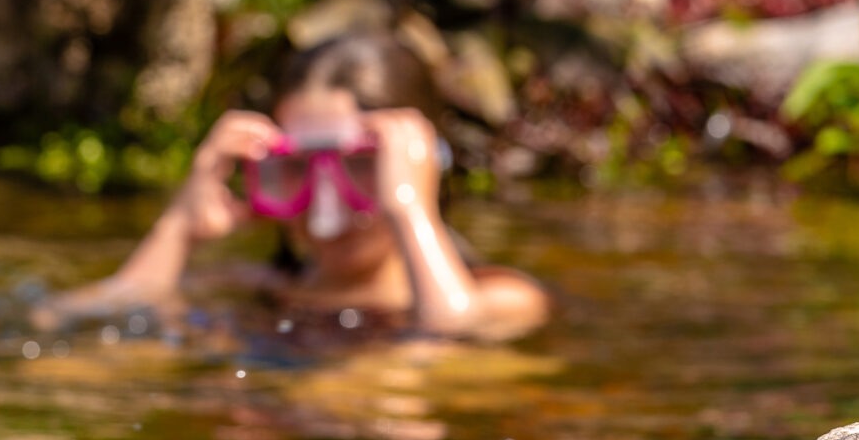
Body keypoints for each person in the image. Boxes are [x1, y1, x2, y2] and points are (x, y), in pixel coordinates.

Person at [37, 33, 549, 341]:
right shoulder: (259, 288)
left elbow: (449, 338)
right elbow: (70, 320)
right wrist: (178, 227)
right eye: (298, 168)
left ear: (417, 165)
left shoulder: (501, 297)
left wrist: (411, 210)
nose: (326, 210)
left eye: (361, 166)